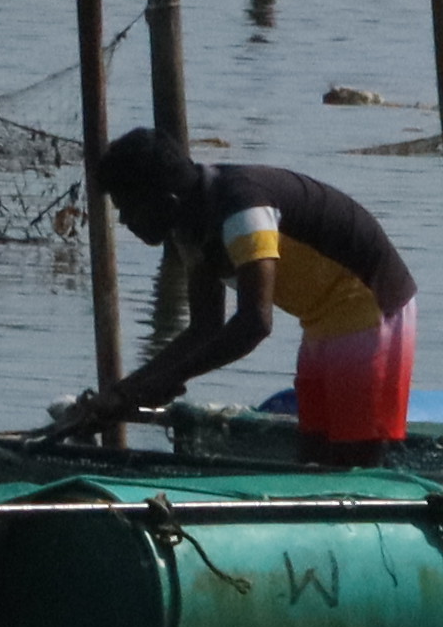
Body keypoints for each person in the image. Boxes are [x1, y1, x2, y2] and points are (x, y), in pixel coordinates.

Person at [60, 132, 416, 462]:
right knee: (313, 453)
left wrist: (159, 383)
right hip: (323, 319)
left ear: (166, 201)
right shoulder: (188, 228)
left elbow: (254, 324)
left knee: (352, 455)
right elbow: (204, 328)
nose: (123, 221)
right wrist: (126, 392)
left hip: (371, 305)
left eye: (128, 209)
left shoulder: (243, 210)